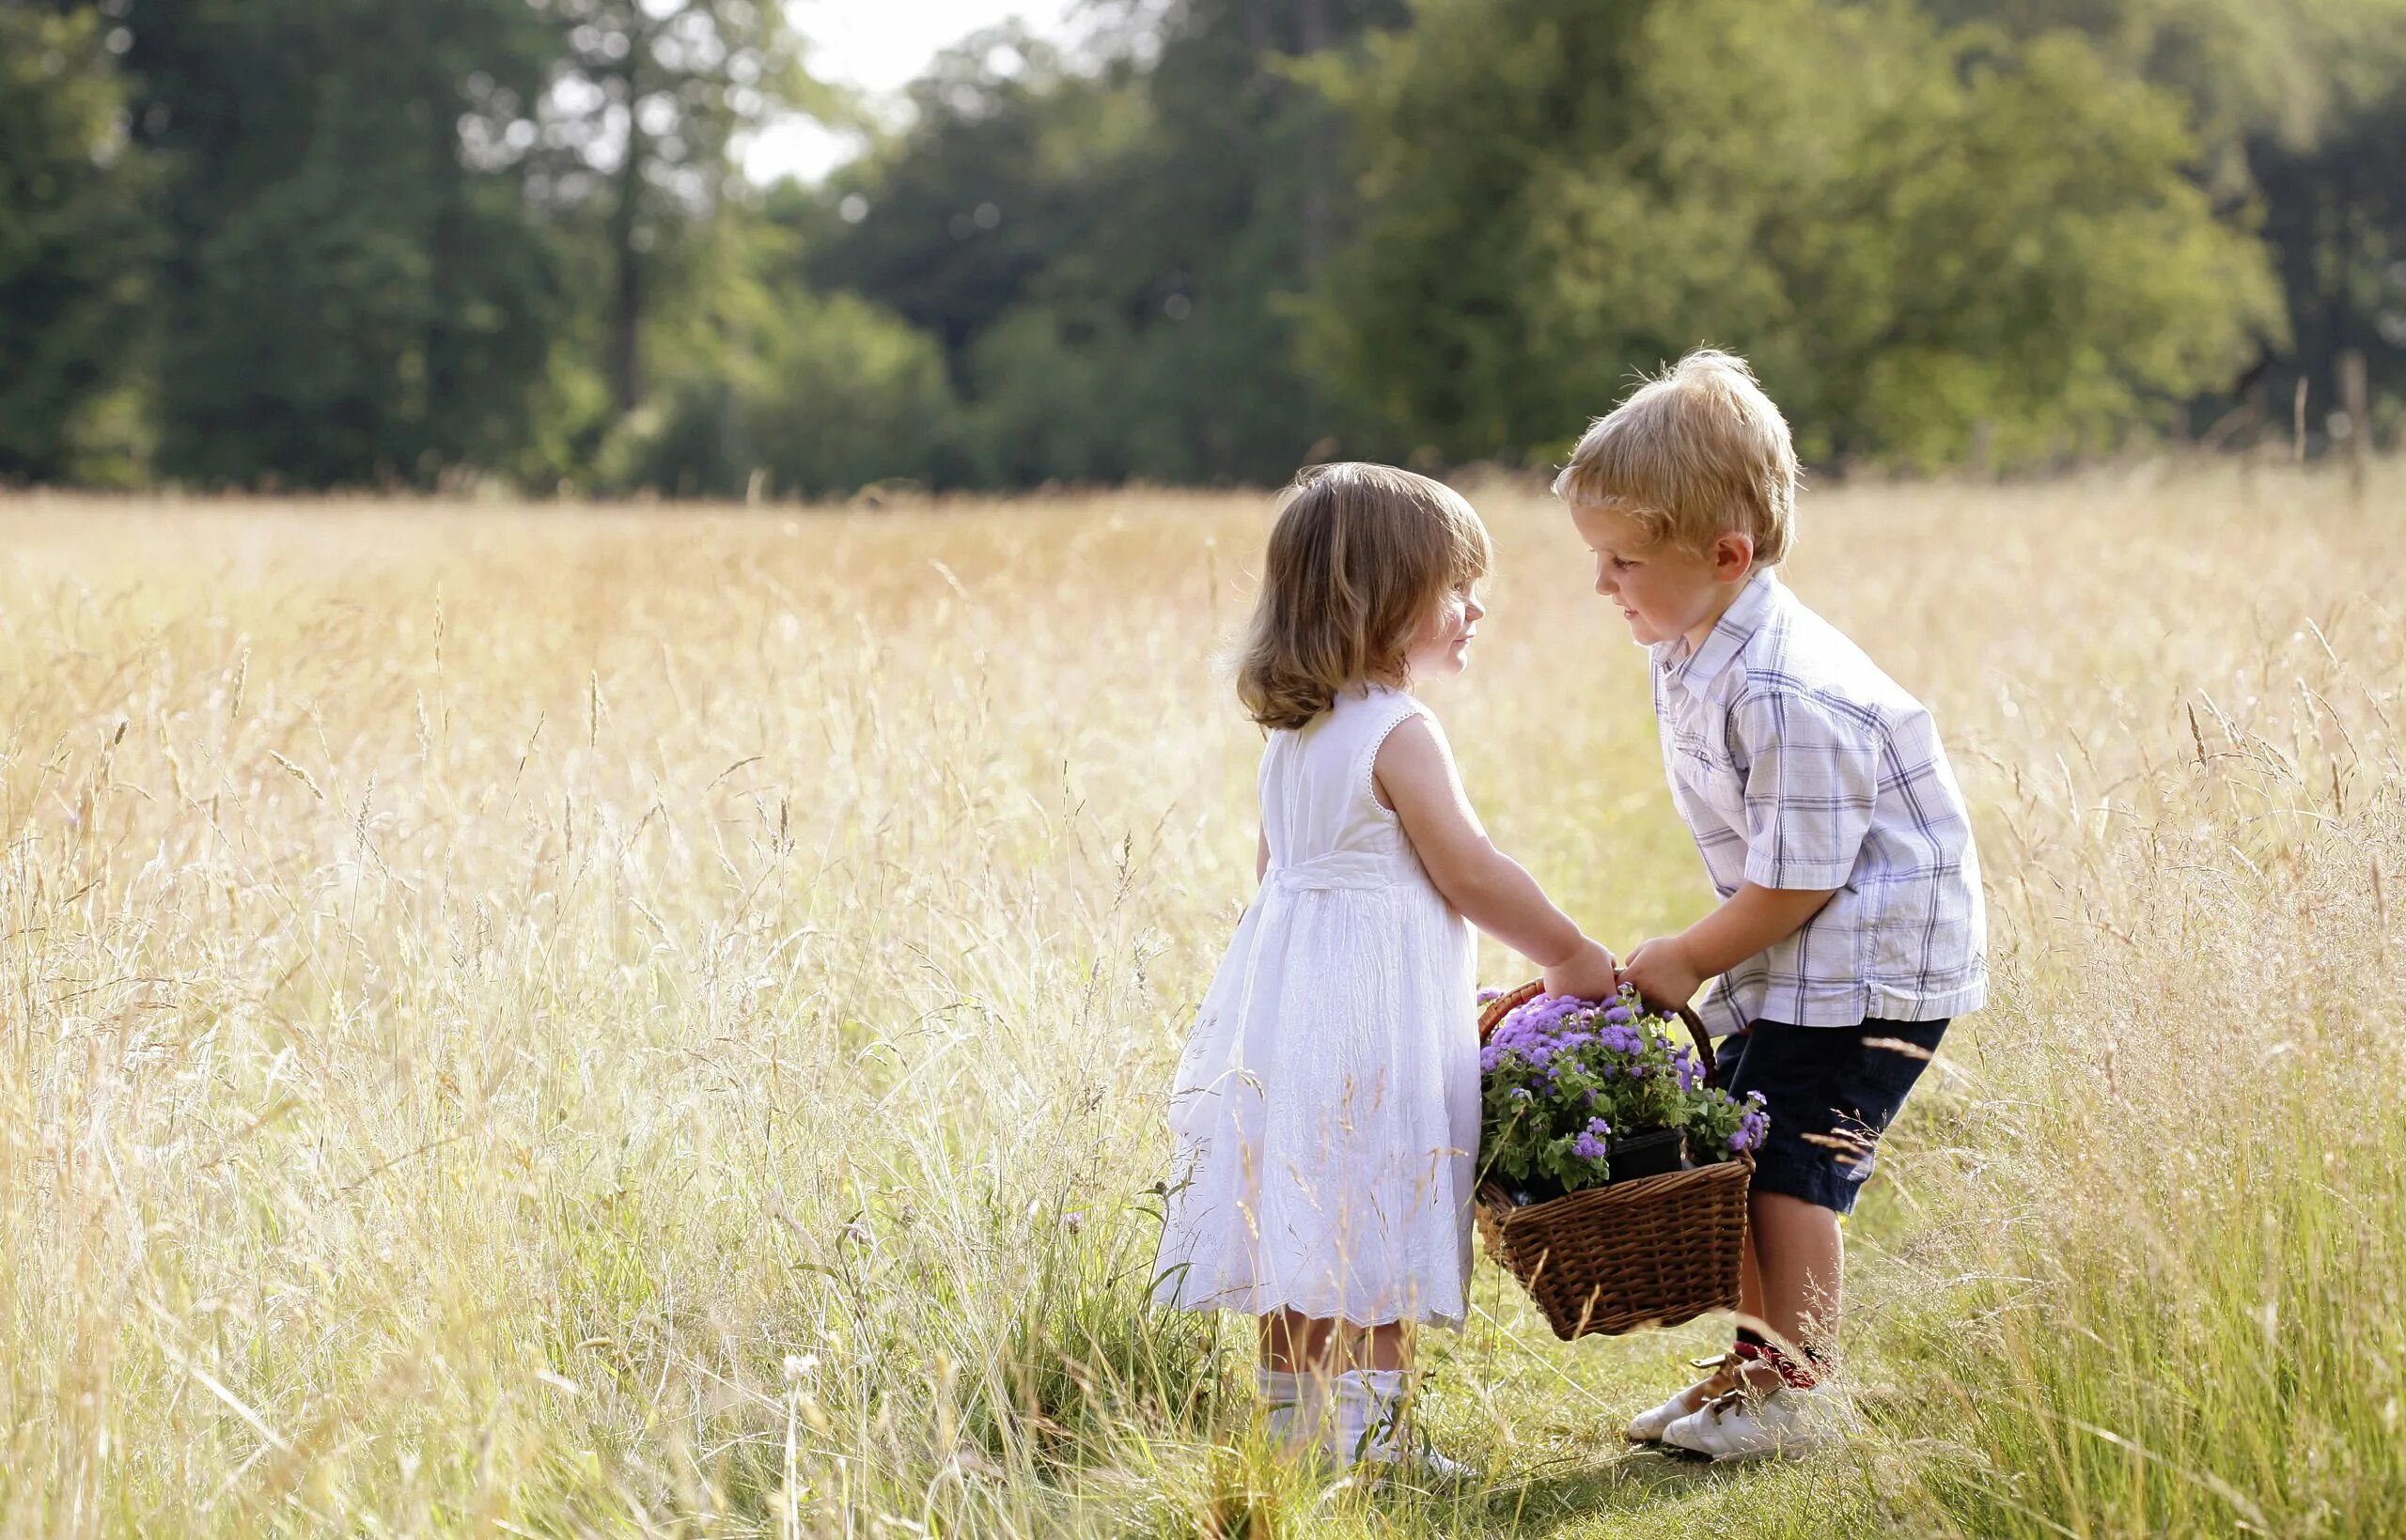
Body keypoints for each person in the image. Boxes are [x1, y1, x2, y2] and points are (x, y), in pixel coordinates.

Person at [1152, 461, 1620, 1474]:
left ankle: (1294, 1431)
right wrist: (1570, 954)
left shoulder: (1295, 736)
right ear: (1381, 599)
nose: (1475, 606)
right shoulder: (1400, 732)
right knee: (1375, 1205)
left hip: (1291, 1016)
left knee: (1301, 1213)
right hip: (1373, 1022)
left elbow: (1277, 878)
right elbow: (1473, 874)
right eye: (1454, 587)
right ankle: (1369, 1447)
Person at [1560, 351, 1986, 1461]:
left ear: (1726, 555)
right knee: (1735, 1156)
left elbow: (1802, 875)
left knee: (1789, 1169)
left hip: (1867, 963)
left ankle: (1800, 1390)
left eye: (1620, 562)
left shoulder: (1781, 686)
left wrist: (1691, 954)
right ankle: (1754, 1368)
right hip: (1801, 957)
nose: (1603, 585)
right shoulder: (1691, 640)